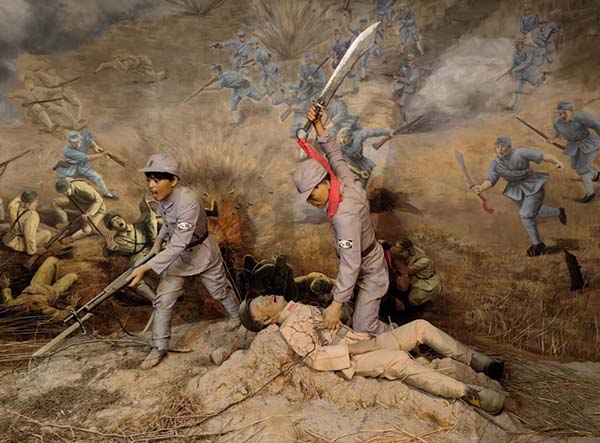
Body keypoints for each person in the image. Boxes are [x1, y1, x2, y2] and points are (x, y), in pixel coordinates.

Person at [238, 296, 506, 414]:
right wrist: (353, 349)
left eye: (263, 296)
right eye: (261, 304)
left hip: (364, 340)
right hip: (355, 357)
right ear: (265, 321)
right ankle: (470, 394)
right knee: (399, 362)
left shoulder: (299, 308)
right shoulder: (288, 330)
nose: (267, 297)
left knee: (420, 327)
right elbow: (315, 357)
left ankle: (477, 361)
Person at [126, 154, 240, 369]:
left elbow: (180, 243)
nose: (151, 186)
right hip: (177, 257)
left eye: (156, 180)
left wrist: (145, 267)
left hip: (201, 253)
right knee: (163, 301)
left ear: (173, 181)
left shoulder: (188, 201)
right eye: (149, 180)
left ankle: (238, 317)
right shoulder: (163, 196)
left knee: (220, 291)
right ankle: (159, 346)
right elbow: (168, 223)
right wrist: (158, 241)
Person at [292, 105, 389, 334]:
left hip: (369, 271)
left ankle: (404, 339)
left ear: (325, 183)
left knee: (363, 328)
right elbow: (335, 156)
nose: (310, 201)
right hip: (366, 262)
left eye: (312, 194)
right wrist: (318, 125)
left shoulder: (344, 216)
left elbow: (350, 264)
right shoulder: (344, 182)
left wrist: (336, 305)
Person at [471, 136, 566, 256]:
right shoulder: (495, 164)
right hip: (516, 191)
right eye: (498, 147)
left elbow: (543, 156)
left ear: (509, 147)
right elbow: (490, 180)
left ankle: (538, 245)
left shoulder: (520, 153)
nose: (500, 149)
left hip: (533, 186)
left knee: (525, 215)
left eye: (503, 146)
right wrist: (481, 188)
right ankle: (559, 211)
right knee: (535, 211)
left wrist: (557, 161)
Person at [102, 204, 158, 302]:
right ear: (112, 228)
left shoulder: (138, 226)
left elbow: (152, 226)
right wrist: (111, 248)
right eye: (113, 221)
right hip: (136, 259)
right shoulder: (116, 240)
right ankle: (155, 300)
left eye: (118, 218)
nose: (117, 221)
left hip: (150, 249)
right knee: (133, 279)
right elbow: (107, 254)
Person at [551, 102, 600, 203]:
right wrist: (551, 138)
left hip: (588, 143)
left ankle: (590, 193)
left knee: (581, 168)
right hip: (573, 145)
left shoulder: (581, 117)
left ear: (571, 111)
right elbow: (556, 131)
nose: (562, 116)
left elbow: (596, 124)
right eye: (560, 113)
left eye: (565, 113)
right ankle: (596, 175)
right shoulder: (557, 122)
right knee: (574, 165)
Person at [1, 257, 79, 320]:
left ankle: (52, 278)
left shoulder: (14, 306)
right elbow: (61, 315)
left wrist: (5, 287)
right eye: (30, 307)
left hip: (35, 285)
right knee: (73, 276)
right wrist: (71, 305)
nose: (27, 307)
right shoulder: (42, 309)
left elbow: (7, 300)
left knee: (52, 259)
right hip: (51, 291)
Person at [54, 131, 118, 199]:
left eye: (78, 141)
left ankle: (107, 194)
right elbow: (86, 158)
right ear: (69, 141)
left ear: (80, 139)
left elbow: (88, 138)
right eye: (74, 142)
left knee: (98, 178)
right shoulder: (67, 150)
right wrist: (102, 154)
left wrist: (95, 146)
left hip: (82, 166)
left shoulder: (83, 137)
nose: (77, 144)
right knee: (65, 185)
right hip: (70, 168)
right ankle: (72, 198)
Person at [386, 239, 442, 312]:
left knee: (413, 300)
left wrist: (396, 263)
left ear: (409, 250)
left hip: (426, 283)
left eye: (402, 252)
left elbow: (406, 271)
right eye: (399, 251)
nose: (400, 254)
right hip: (414, 281)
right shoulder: (408, 254)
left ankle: (431, 295)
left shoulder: (423, 261)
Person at [2, 191, 51, 255]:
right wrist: (32, 251)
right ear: (31, 202)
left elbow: (17, 199)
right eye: (35, 201)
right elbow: (29, 236)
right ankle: (33, 248)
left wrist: (24, 197)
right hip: (20, 244)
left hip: (9, 240)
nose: (36, 203)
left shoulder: (12, 206)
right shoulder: (32, 215)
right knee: (47, 233)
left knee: (38, 230)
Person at [505, 38, 545, 112]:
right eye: (516, 45)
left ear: (522, 45)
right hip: (520, 74)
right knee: (517, 90)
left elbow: (526, 63)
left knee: (536, 83)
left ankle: (541, 77)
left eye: (518, 44)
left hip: (529, 73)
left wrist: (514, 70)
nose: (517, 46)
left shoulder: (529, 51)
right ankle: (511, 106)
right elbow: (514, 64)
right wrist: (511, 70)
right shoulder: (514, 54)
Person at [95, 54, 168, 83]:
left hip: (138, 65)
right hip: (136, 65)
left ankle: (162, 74)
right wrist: (96, 71)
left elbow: (104, 65)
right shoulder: (117, 63)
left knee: (146, 72)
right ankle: (161, 75)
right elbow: (104, 65)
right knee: (145, 72)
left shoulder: (130, 60)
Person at [391, 53, 419, 124]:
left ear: (413, 61)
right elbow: (400, 74)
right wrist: (398, 74)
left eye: (410, 60)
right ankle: (402, 122)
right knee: (399, 106)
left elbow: (408, 82)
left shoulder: (415, 71)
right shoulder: (405, 68)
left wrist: (398, 78)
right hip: (402, 89)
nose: (408, 62)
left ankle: (406, 122)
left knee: (403, 106)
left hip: (408, 91)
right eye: (407, 60)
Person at [331, 29, 358, 94]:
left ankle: (355, 88)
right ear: (334, 36)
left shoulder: (345, 41)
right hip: (340, 62)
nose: (337, 36)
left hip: (347, 60)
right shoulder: (333, 45)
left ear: (340, 35)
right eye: (336, 35)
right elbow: (334, 54)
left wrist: (346, 49)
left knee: (352, 74)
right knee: (339, 77)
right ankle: (340, 92)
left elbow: (352, 47)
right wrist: (335, 59)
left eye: (339, 35)